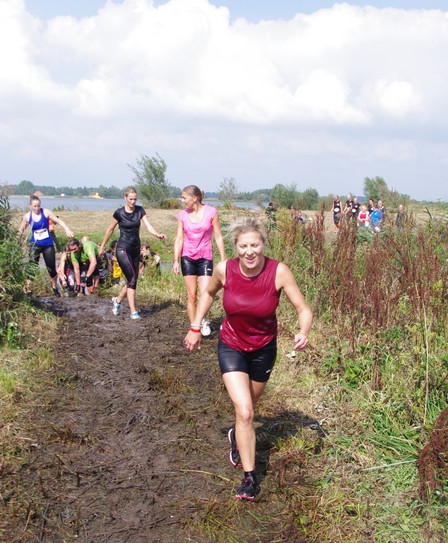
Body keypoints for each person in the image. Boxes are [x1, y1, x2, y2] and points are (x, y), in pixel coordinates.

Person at [183, 218, 312, 501]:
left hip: (264, 349)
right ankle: (250, 478)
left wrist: (303, 332)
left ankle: (237, 436)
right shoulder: (224, 269)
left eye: (255, 245)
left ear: (263, 245)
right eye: (243, 246)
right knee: (245, 413)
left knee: (249, 407)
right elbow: (208, 293)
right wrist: (195, 325)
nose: (249, 252)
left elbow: (303, 308)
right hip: (231, 345)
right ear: (236, 247)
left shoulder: (278, 272)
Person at [100, 187, 167, 319]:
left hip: (135, 249)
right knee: (132, 279)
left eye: (135, 199)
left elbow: (148, 226)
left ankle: (117, 300)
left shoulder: (140, 210)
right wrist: (102, 246)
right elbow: (110, 230)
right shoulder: (119, 213)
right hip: (122, 248)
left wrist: (157, 234)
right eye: (130, 199)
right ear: (125, 198)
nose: (133, 202)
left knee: (133, 279)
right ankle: (133, 311)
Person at [173, 185, 225, 336]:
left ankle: (204, 320)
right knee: (192, 295)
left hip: (205, 257)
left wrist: (223, 259)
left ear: (195, 198)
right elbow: (179, 238)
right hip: (187, 257)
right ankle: (194, 328)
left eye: (184, 197)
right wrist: (175, 260)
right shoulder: (182, 215)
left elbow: (218, 236)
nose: (182, 200)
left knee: (205, 293)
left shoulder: (211, 212)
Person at [17, 194, 74, 296]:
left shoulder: (46, 212)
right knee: (32, 266)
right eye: (34, 206)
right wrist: (15, 241)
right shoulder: (28, 216)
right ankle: (28, 289)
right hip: (35, 244)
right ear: (31, 206)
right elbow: (21, 230)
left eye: (38, 206)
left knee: (51, 268)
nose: (36, 208)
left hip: (47, 244)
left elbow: (58, 221)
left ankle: (54, 288)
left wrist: (67, 229)